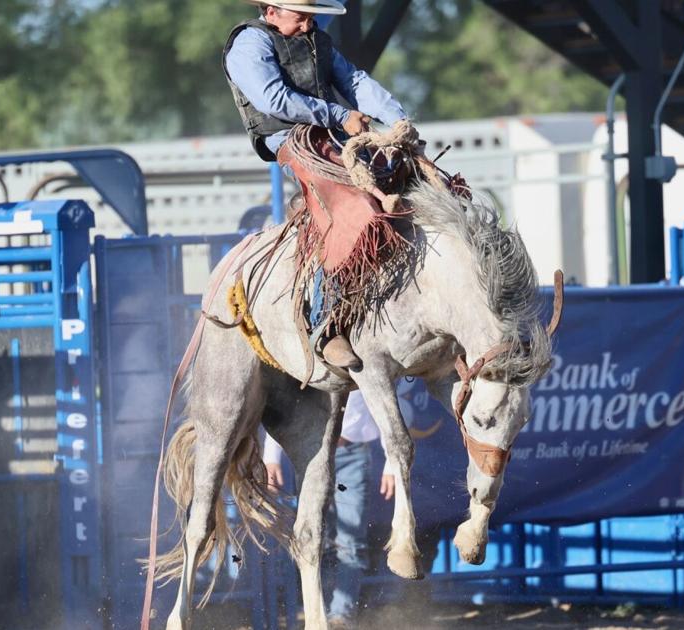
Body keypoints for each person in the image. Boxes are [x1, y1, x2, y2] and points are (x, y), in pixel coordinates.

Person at [223, 0, 409, 370]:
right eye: (301, 17)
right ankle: (326, 323)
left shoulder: (316, 39)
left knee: (403, 176)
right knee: (347, 200)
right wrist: (340, 115)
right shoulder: (249, 44)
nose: (309, 25)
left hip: (326, 131)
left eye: (311, 17)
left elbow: (353, 81)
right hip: (287, 137)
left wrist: (399, 120)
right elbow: (273, 99)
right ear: (272, 12)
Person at [263, 390, 395, 628]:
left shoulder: (362, 358)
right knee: (312, 539)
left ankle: (341, 617)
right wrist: (271, 456)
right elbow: (286, 403)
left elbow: (383, 401)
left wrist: (392, 461)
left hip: (351, 454)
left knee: (350, 541)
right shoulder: (307, 361)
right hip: (312, 454)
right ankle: (318, 612)